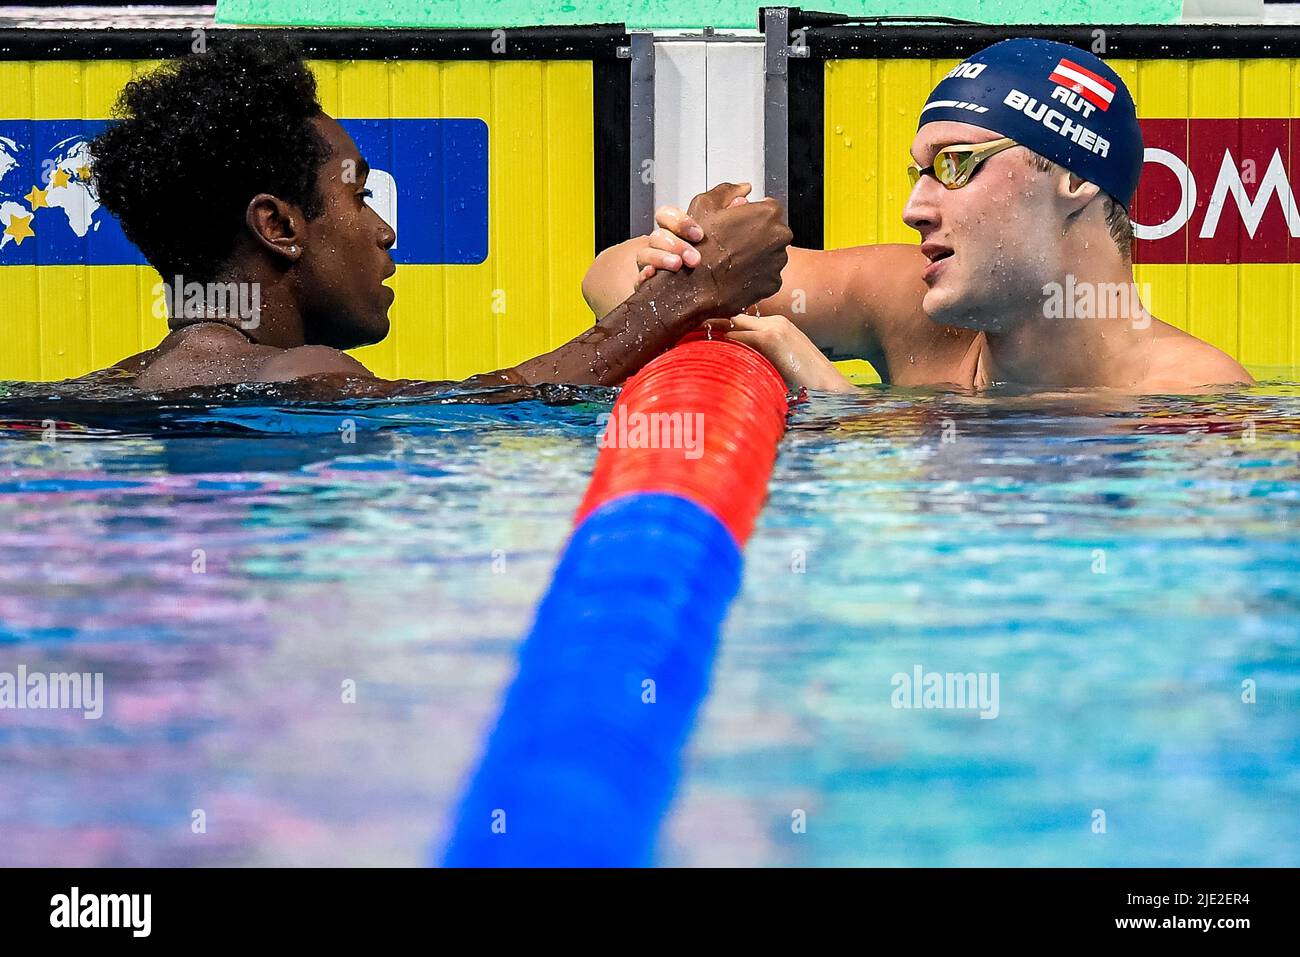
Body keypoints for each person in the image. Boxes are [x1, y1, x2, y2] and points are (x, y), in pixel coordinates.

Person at [89, 36, 791, 395]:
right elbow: (494, 408)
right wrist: (689, 292)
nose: (385, 230)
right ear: (278, 227)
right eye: (359, 196)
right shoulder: (296, 376)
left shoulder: (120, 382)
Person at [582, 38, 1253, 394]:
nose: (913, 208)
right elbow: (609, 276)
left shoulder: (1194, 409)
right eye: (918, 172)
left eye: (956, 164)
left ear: (1074, 176)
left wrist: (838, 411)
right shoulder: (908, 305)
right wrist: (698, 267)